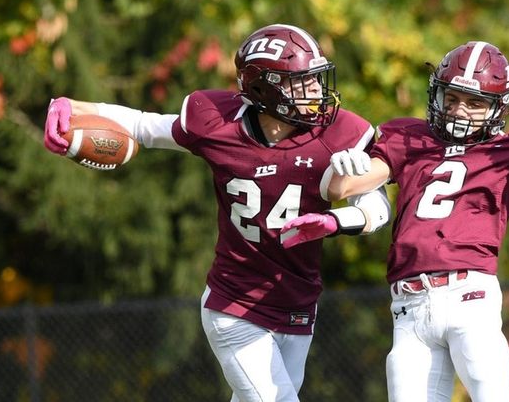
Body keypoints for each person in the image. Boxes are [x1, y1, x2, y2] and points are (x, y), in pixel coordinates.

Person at [43, 23, 391, 402]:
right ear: (264, 88)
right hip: (236, 305)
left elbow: (377, 205)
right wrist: (72, 108)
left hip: (298, 301)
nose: (315, 92)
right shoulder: (217, 123)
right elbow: (145, 126)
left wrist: (336, 220)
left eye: (315, 80)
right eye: (301, 83)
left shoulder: (338, 133)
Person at [280, 41, 509, 401]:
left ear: (498, 107)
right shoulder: (409, 137)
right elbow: (343, 188)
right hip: (408, 310)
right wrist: (339, 170)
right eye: (453, 97)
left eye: (475, 103)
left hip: (470, 299)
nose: (460, 110)